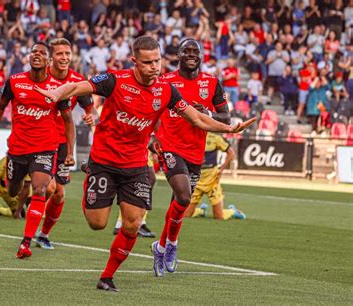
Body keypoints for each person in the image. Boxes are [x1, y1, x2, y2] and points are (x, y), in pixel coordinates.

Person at [35, 36, 255, 292]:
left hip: (136, 164)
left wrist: (230, 127)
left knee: (133, 222)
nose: (155, 67)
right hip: (105, 161)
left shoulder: (166, 90)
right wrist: (55, 92)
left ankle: (107, 276)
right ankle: (91, 172)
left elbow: (197, 119)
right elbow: (76, 87)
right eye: (148, 62)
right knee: (97, 223)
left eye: (158, 61)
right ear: (134, 62)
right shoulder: (114, 80)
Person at [0, 42, 76, 259]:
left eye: (42, 53)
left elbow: (68, 120)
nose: (37, 55)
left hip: (45, 148)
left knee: (40, 189)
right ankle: (13, 200)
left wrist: (69, 152)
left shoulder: (57, 88)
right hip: (17, 149)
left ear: (48, 61)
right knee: (13, 190)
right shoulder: (15, 82)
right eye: (33, 52)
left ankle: (26, 243)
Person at [151, 39, 231, 278]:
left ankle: (162, 246)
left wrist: (206, 113)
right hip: (169, 147)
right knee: (184, 195)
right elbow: (151, 109)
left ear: (202, 56)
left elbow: (225, 118)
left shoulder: (212, 83)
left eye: (195, 51)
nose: (191, 54)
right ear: (178, 55)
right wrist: (151, 136)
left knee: (180, 201)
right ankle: (173, 246)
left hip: (196, 151)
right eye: (186, 50)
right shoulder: (164, 81)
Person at [35, 38, 95, 250]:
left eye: (67, 54)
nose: (64, 58)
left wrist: (91, 116)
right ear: (51, 57)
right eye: (59, 54)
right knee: (48, 187)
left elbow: (90, 108)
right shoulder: (40, 76)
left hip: (63, 142)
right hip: (40, 140)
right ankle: (32, 218)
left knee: (59, 194)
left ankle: (42, 234)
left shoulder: (78, 81)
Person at [185, 132, 246, 220]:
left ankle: (233, 211)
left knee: (219, 216)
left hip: (212, 181)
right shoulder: (191, 136)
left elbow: (231, 153)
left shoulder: (214, 138)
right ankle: (201, 211)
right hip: (196, 181)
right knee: (186, 215)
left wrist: (221, 170)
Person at [112, 150, 156, 238]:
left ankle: (122, 223)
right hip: (136, 147)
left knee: (149, 180)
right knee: (148, 179)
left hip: (143, 146)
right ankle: (136, 222)